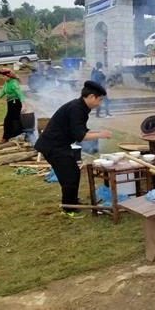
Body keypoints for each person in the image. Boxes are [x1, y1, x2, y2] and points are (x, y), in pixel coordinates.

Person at [34, 81, 112, 215]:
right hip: (53, 145)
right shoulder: (76, 109)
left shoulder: (80, 108)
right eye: (99, 100)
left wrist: (98, 133)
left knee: (74, 172)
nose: (99, 103)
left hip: (60, 144)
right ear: (92, 97)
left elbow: (81, 131)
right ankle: (68, 207)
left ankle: (72, 202)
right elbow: (80, 136)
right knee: (69, 175)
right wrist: (101, 134)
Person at [0, 68, 25, 144]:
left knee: (10, 120)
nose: (3, 78)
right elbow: (2, 92)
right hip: (11, 103)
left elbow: (20, 94)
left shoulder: (13, 83)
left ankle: (7, 138)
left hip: (15, 103)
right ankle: (16, 136)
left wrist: (24, 105)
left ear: (8, 76)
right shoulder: (7, 83)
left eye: (3, 76)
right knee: (14, 119)